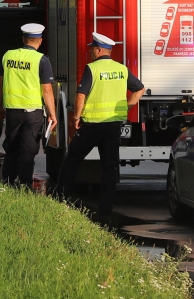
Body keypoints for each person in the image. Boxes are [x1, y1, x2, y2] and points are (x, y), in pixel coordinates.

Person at [56, 32, 144, 217]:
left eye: (91, 49)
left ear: (98, 49)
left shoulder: (92, 69)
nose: (90, 53)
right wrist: (126, 107)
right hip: (112, 126)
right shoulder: (121, 69)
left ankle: (61, 198)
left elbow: (81, 95)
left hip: (91, 125)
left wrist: (76, 117)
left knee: (72, 160)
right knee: (109, 167)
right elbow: (140, 89)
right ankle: (106, 208)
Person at [0, 22, 57, 188]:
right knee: (28, 150)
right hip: (33, 112)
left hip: (12, 110)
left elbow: (0, 86)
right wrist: (52, 114)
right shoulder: (42, 60)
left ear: (23, 39)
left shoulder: (7, 56)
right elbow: (47, 91)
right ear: (40, 41)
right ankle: (25, 184)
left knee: (11, 148)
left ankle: (8, 182)